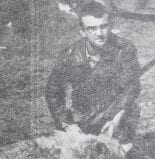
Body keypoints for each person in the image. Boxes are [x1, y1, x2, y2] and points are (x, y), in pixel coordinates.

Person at [45, 0, 141, 143]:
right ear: (82, 31)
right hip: (83, 117)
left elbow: (131, 88)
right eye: (92, 28)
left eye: (103, 26)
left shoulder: (124, 49)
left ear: (110, 26)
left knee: (115, 157)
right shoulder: (70, 55)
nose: (99, 33)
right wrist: (67, 125)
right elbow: (53, 92)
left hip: (116, 114)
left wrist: (115, 119)